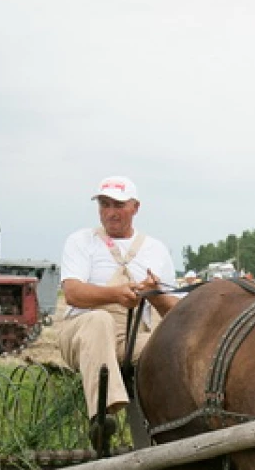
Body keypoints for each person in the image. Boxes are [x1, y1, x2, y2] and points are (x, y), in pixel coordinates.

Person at [55, 175, 179, 439]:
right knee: (99, 319)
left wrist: (153, 294)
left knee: (174, 346)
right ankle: (103, 415)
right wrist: (116, 294)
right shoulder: (81, 241)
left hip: (129, 338)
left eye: (118, 205)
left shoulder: (155, 250)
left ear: (135, 207)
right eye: (104, 204)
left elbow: (176, 313)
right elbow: (73, 294)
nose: (110, 213)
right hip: (81, 334)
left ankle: (180, 424)